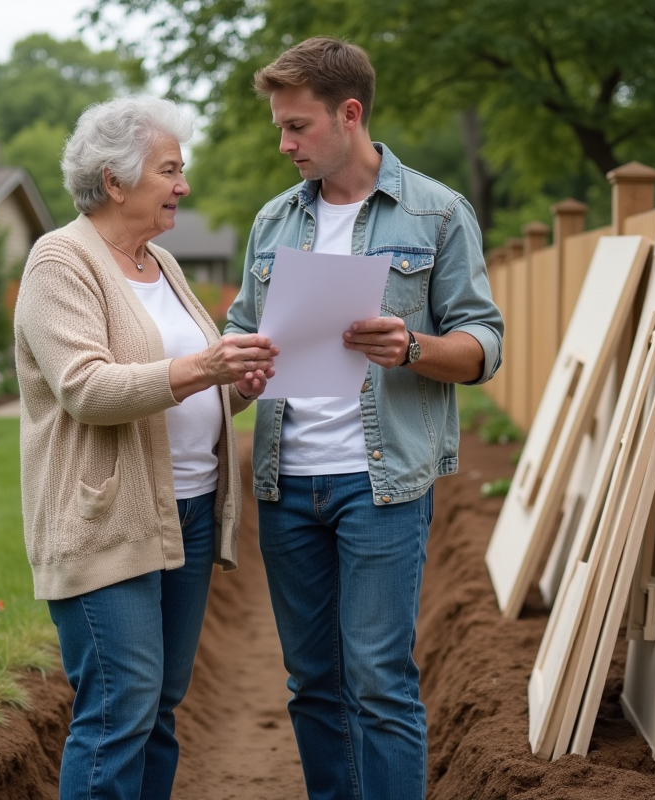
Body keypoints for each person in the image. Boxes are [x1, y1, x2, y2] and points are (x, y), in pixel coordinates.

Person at [224, 37, 505, 800]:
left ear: (350, 115)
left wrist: (411, 345)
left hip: (380, 487)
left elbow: (485, 345)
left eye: (297, 127)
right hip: (287, 485)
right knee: (313, 683)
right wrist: (237, 366)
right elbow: (239, 336)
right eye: (280, 127)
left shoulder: (438, 211)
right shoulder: (274, 222)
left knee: (380, 682)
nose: (284, 144)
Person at [14, 95, 277, 800]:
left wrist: (238, 385)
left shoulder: (160, 263)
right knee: (118, 710)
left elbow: (186, 385)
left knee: (158, 708)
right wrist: (204, 367)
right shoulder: (59, 261)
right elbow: (87, 389)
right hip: (107, 520)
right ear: (115, 181)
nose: (183, 186)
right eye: (170, 170)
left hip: (186, 515)